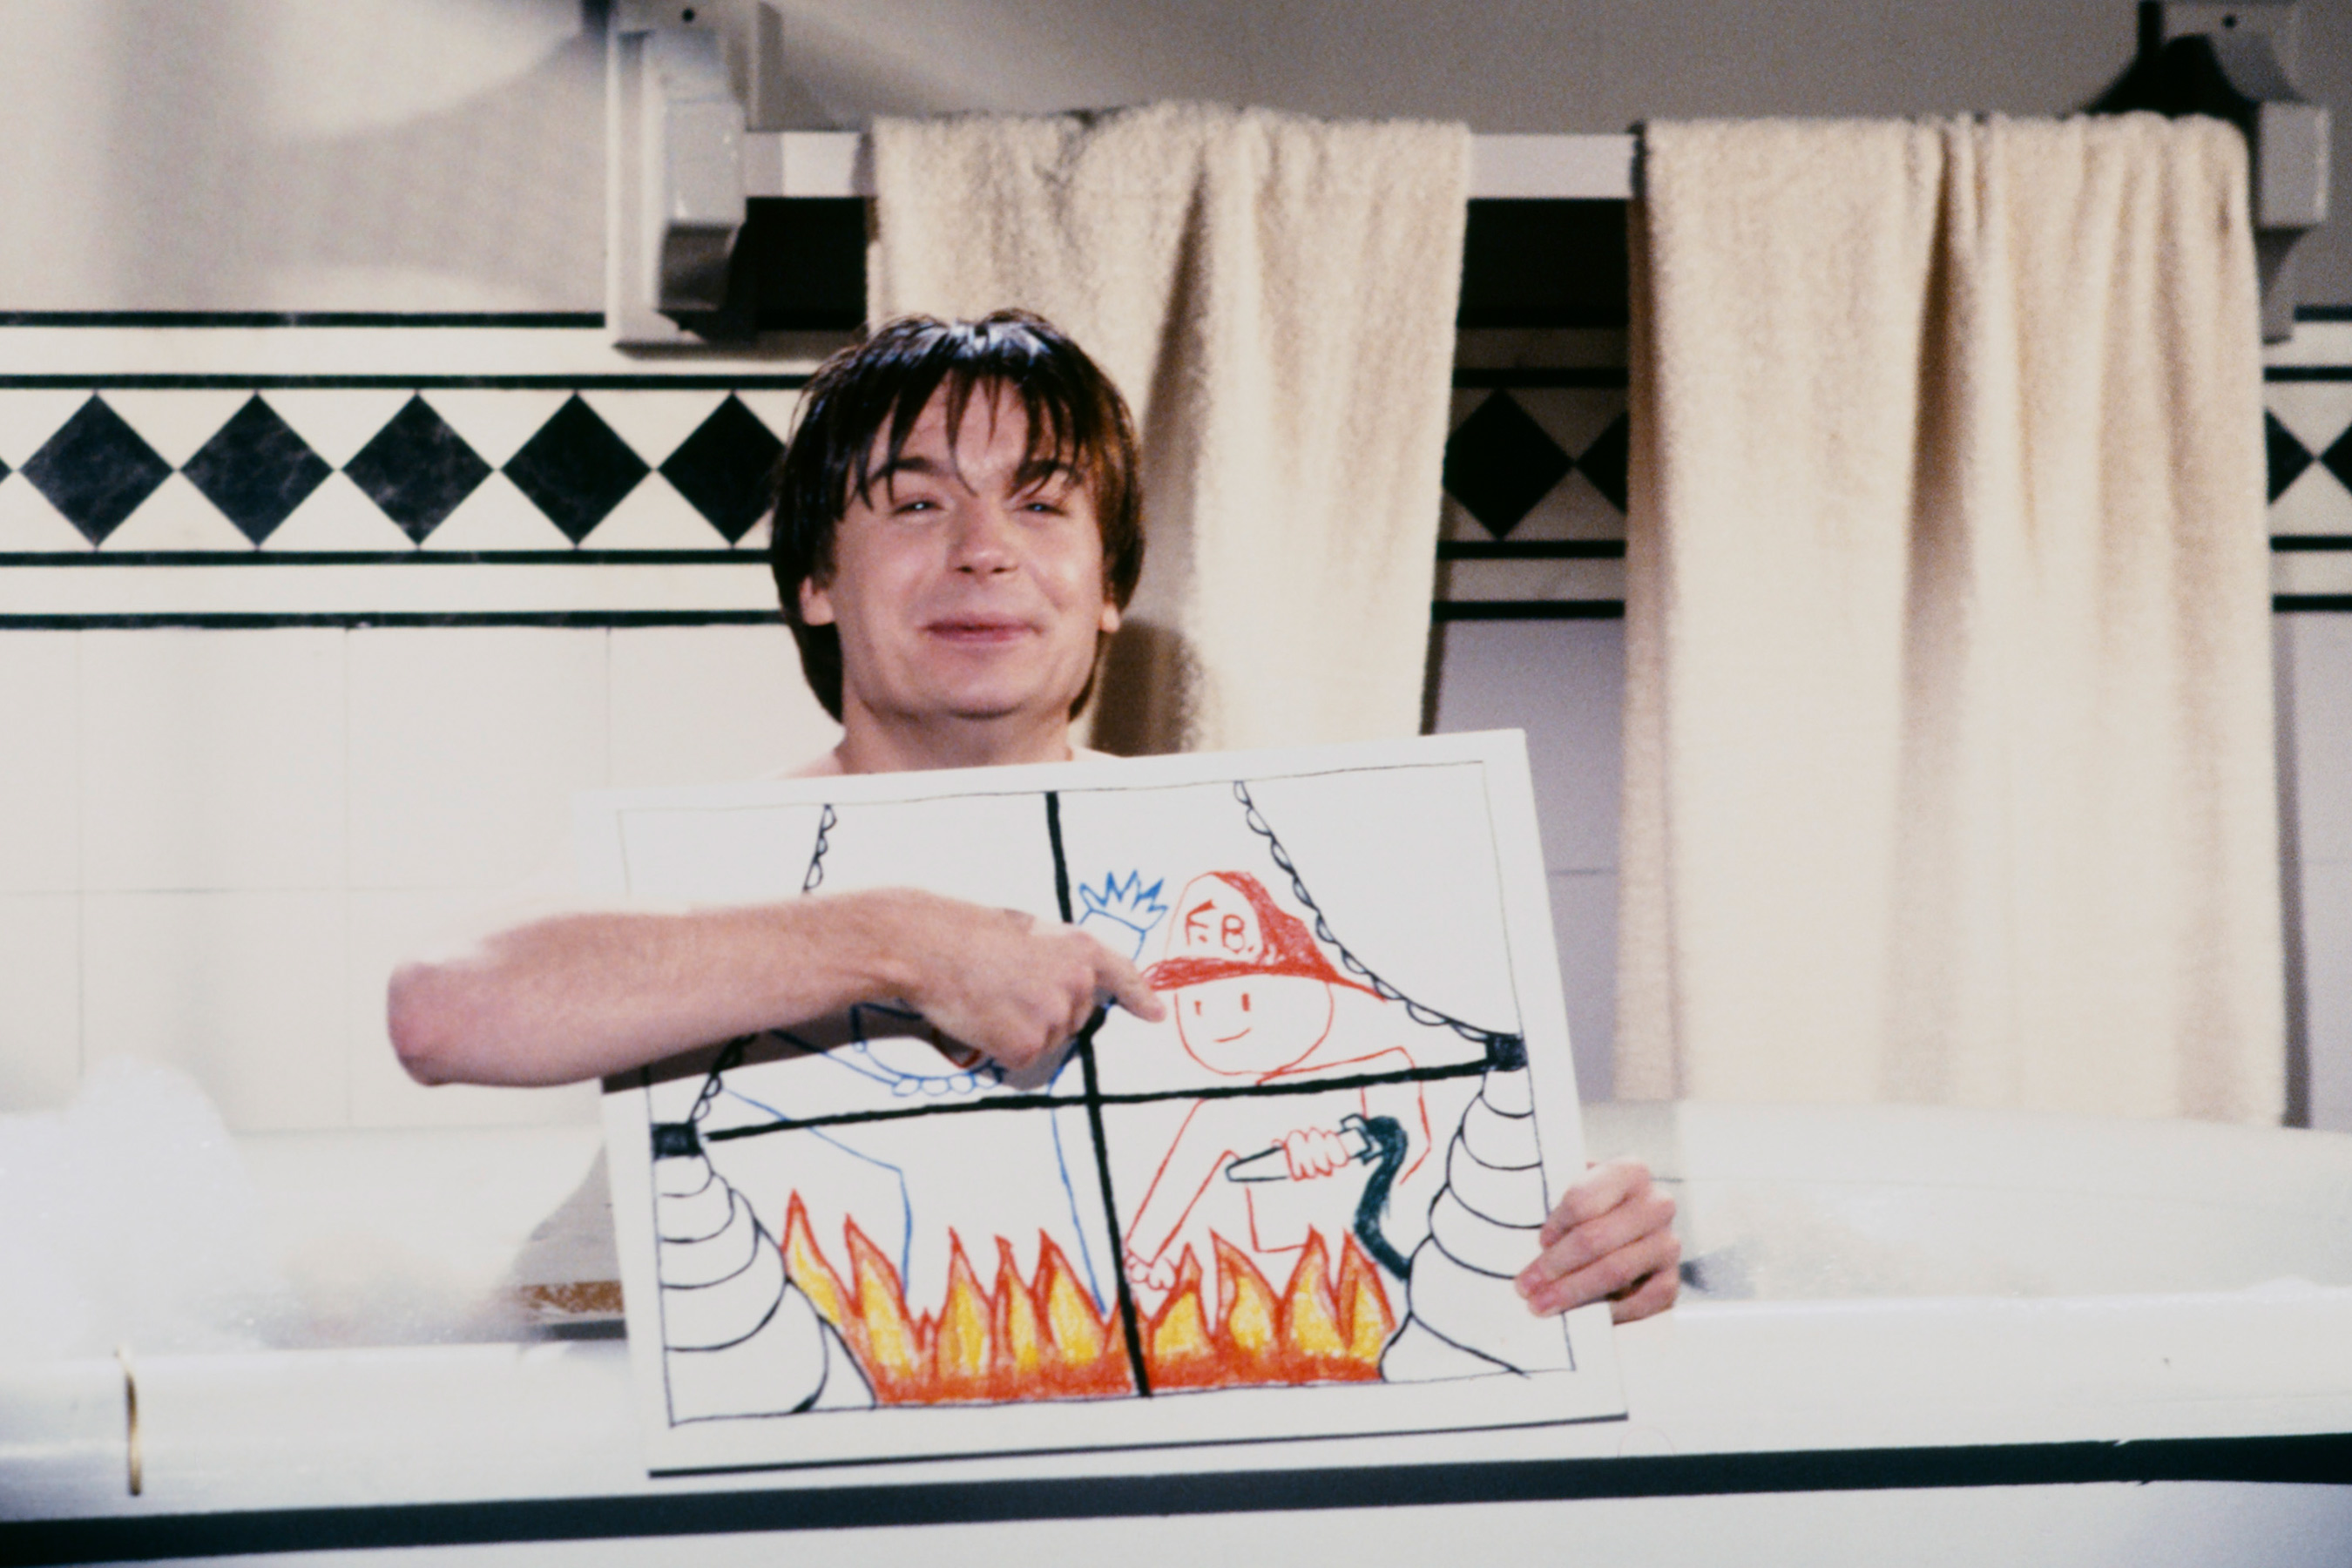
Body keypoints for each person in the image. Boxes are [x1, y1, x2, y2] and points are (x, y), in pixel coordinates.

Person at [388, 309, 1679, 1327]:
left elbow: (1386, 1208)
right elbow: (443, 1007)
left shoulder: (1244, 873)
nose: (984, 549)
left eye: (1043, 503)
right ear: (817, 580)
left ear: (1109, 586)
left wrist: (1573, 1257)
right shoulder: (713, 857)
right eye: (916, 503)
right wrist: (895, 940)